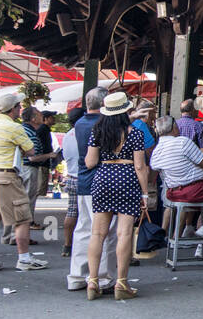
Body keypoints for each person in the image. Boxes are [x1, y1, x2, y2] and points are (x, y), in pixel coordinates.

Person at [83, 92, 148, 300]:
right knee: (124, 234)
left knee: (97, 234)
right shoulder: (135, 133)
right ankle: (121, 282)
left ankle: (92, 281)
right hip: (128, 180)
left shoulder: (97, 131)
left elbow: (90, 163)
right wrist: (145, 193)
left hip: (103, 179)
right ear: (126, 111)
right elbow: (140, 166)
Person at [0, 94, 47, 272]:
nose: (20, 110)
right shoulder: (14, 127)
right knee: (22, 218)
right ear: (13, 109)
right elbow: (31, 150)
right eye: (19, 107)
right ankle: (24, 258)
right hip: (6, 175)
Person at [150, 115, 203, 245]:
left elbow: (155, 167)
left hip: (173, 192)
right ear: (174, 128)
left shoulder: (157, 150)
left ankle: (182, 239)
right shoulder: (183, 142)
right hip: (195, 189)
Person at [67, 88, 117, 292]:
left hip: (83, 182)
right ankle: (102, 276)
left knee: (84, 229)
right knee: (104, 231)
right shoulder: (103, 124)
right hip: (103, 181)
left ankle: (77, 275)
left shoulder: (79, 124)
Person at [60, 106, 85, 256]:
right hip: (84, 177)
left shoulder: (67, 135)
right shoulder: (83, 133)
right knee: (90, 214)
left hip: (71, 176)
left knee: (72, 212)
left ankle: (67, 245)